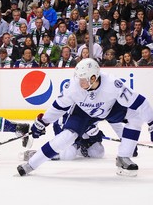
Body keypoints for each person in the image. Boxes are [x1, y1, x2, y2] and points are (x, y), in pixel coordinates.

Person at [17, 58, 153, 177]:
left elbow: (141, 103)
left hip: (110, 108)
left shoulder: (112, 84)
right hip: (83, 112)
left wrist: (152, 123)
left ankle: (124, 157)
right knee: (67, 137)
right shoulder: (73, 87)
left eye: (83, 79)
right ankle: (31, 164)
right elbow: (58, 107)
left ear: (93, 78)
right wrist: (43, 122)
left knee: (135, 117)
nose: (79, 82)